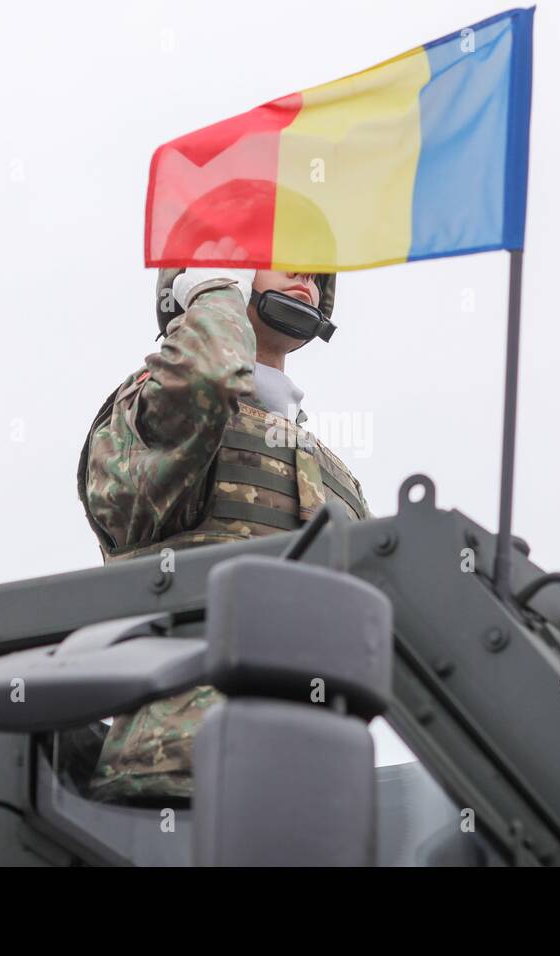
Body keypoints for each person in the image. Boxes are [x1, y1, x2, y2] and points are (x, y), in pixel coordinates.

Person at [75, 258, 371, 804]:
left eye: (314, 268)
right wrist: (211, 292)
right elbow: (206, 377)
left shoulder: (337, 476)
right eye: (280, 258)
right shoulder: (152, 411)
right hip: (178, 776)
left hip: (314, 793)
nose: (305, 277)